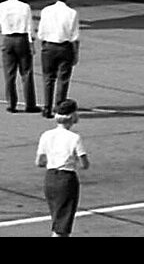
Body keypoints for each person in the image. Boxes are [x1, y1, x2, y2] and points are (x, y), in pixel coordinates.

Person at [34, 99, 89, 236]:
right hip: (66, 179)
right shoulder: (75, 138)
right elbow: (84, 164)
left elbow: (39, 161)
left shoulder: (46, 135)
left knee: (58, 218)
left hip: (50, 178)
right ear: (71, 116)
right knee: (63, 223)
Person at [36, 0, 80, 117]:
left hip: (48, 47)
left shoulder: (46, 11)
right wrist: (76, 54)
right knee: (63, 79)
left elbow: (41, 33)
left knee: (48, 78)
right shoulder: (72, 13)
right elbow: (75, 37)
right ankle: (59, 107)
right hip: (65, 47)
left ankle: (47, 108)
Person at [0, 0, 40, 113]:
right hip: (22, 39)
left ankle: (11, 103)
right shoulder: (25, 7)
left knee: (9, 73)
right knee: (26, 72)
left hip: (8, 39)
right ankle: (30, 104)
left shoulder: (0, 6)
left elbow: (0, 22)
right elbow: (29, 27)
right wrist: (31, 43)